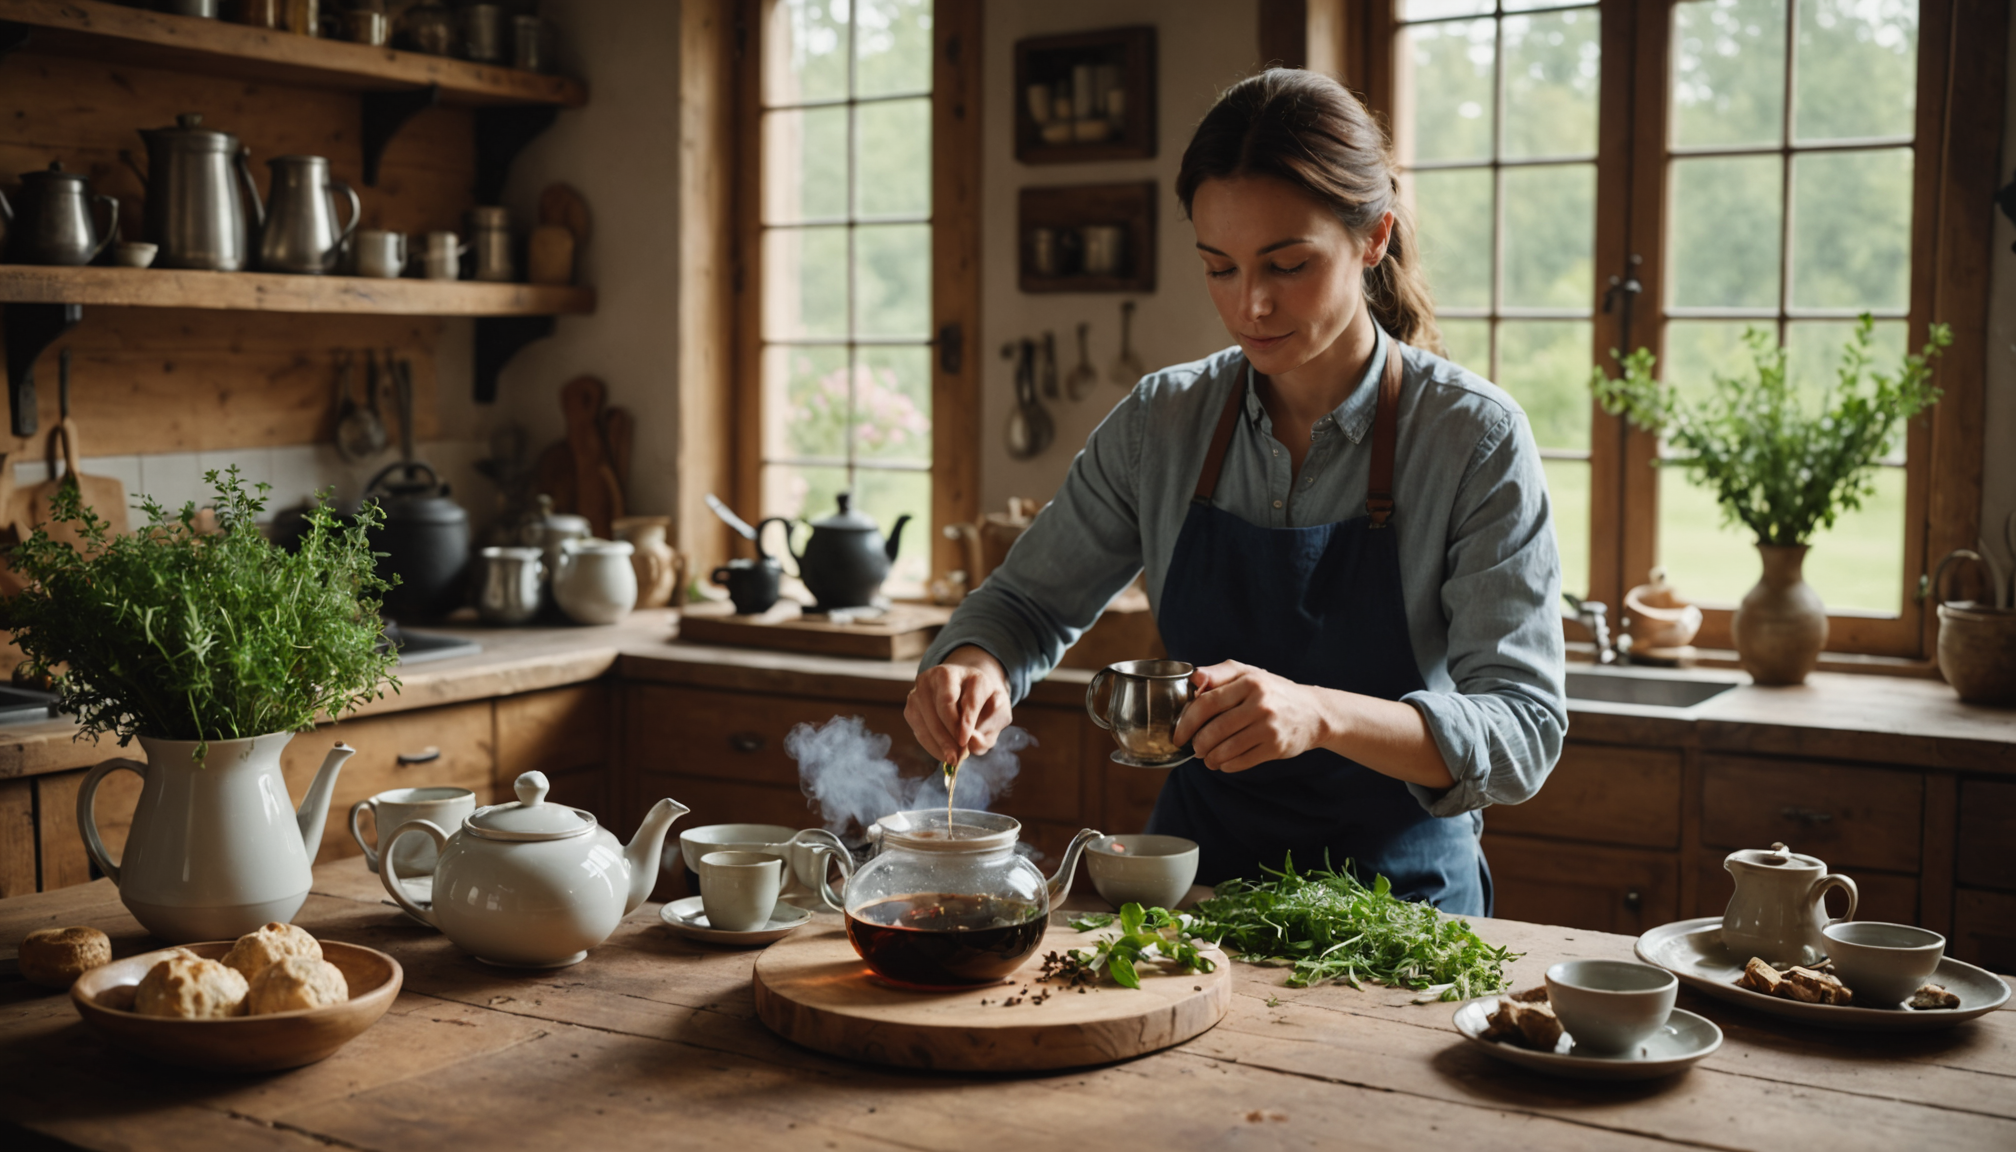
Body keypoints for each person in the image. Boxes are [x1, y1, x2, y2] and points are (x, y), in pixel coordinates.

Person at [904, 69, 1565, 916]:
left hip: (1402, 911)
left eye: (1287, 265)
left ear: (1373, 239)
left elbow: (1520, 731)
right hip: (1194, 896)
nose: (1250, 304)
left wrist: (1319, 714)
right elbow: (1028, 606)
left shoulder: (1473, 437)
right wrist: (973, 662)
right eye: (1218, 267)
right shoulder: (1163, 421)